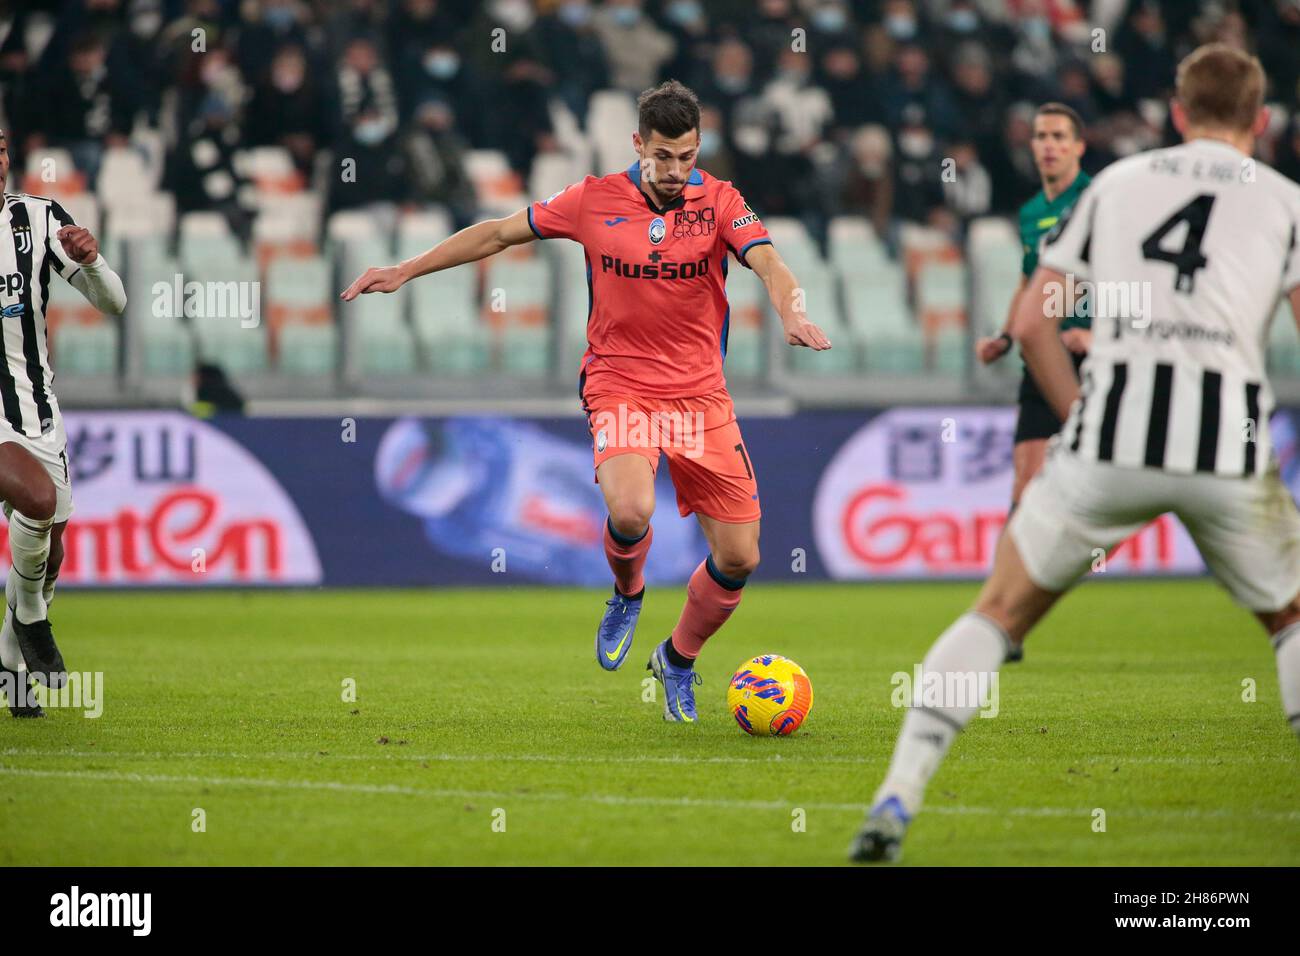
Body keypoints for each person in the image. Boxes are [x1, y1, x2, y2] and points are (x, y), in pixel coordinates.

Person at [852, 43, 1300, 863]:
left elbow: (1031, 324)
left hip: (1111, 435)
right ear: (1262, 123)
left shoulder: (1120, 186)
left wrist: (1084, 409)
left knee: (995, 612)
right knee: (1290, 622)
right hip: (1226, 443)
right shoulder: (1284, 200)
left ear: (1175, 114)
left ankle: (896, 797)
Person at [342, 80, 830, 722]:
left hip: (700, 395)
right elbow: (495, 235)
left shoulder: (719, 201)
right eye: (663, 156)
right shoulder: (593, 201)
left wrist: (791, 311)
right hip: (619, 382)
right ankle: (628, 593)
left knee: (740, 557)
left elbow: (769, 263)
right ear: (638, 145)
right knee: (630, 512)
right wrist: (406, 269)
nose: (676, 170)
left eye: (687, 156)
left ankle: (677, 660)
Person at [0, 128, 127, 717]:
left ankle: (9, 666)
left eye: (1, 148)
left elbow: (115, 304)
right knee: (37, 497)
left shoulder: (37, 218)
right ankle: (29, 618)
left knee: (50, 556)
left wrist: (92, 261)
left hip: (36, 411)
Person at [975, 103, 1092, 508]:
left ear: (1079, 146)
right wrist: (1006, 337)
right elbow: (1028, 282)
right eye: (1041, 136)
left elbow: (1129, 276)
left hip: (1095, 359)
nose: (1048, 145)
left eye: (1059, 137)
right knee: (1028, 479)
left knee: (1099, 481)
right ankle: (1032, 572)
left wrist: (1098, 333)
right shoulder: (1031, 213)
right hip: (1043, 357)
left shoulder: (1097, 200)